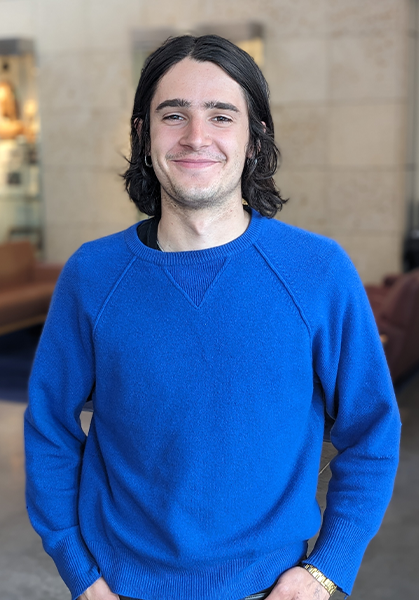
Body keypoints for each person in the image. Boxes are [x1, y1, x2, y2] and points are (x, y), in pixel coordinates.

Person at [24, 35, 401, 600]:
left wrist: (327, 569)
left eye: (221, 115)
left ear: (254, 139)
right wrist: (80, 572)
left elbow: (372, 430)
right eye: (172, 115)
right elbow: (49, 428)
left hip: (269, 588)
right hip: (118, 587)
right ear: (144, 136)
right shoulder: (92, 275)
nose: (196, 137)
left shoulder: (318, 271)